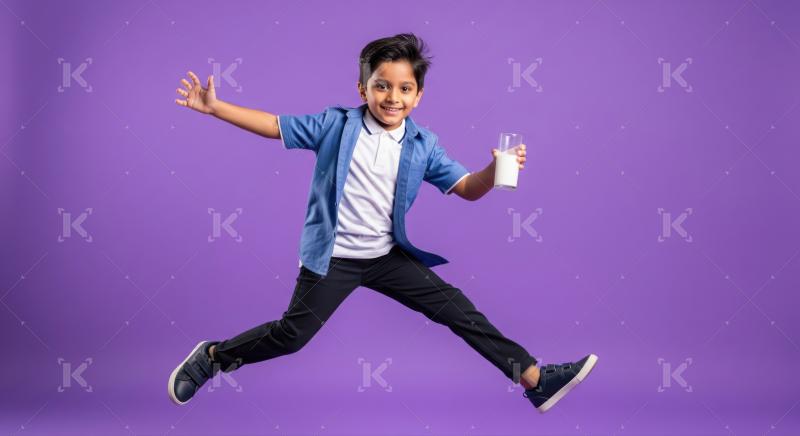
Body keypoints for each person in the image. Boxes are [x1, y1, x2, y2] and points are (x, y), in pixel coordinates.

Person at [168, 33, 597, 413]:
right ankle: (213, 357)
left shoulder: (422, 145)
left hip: (385, 256)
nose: (393, 97)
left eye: (405, 88)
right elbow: (275, 126)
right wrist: (216, 107)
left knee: (457, 308)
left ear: (419, 95)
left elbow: (467, 188)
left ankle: (536, 380)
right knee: (292, 336)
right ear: (363, 88)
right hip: (333, 259)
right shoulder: (335, 125)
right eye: (382, 86)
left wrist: (492, 169)